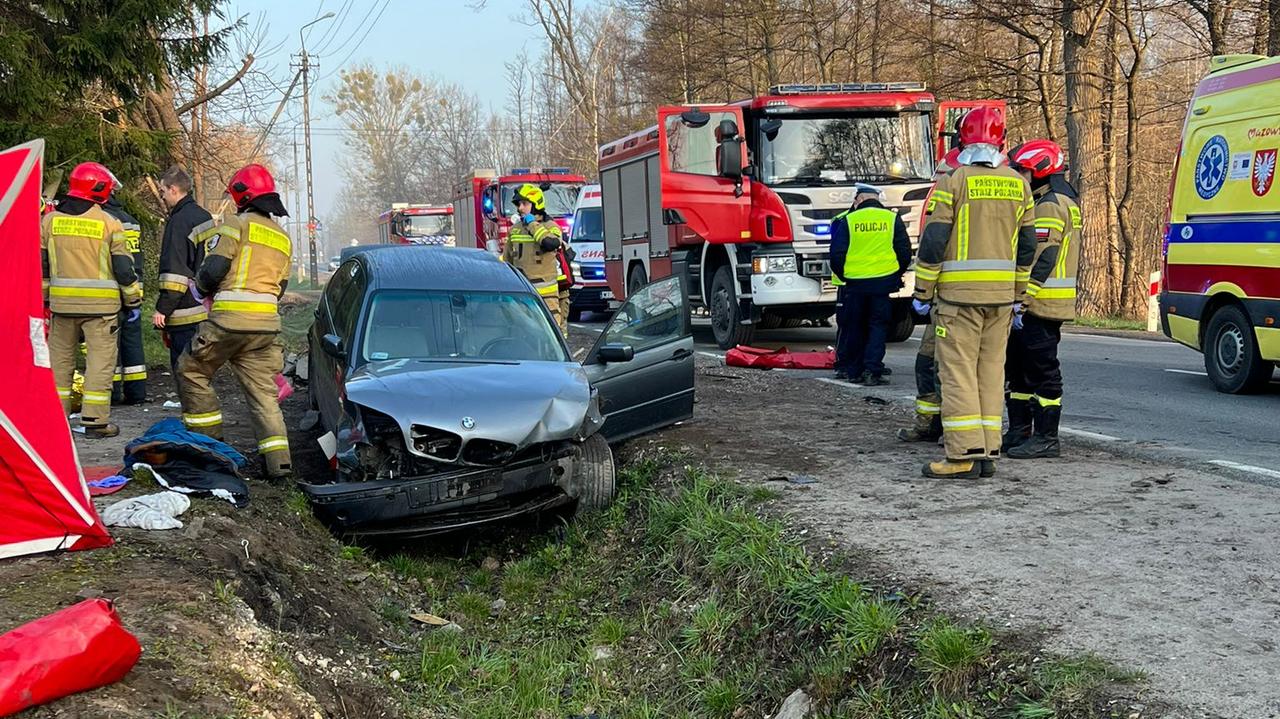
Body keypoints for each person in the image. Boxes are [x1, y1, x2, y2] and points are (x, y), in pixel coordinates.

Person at [912, 107, 1038, 479]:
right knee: (990, 372)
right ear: (1001, 140)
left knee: (957, 373)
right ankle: (987, 451)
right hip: (1001, 299)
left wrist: (923, 289)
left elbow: (934, 241)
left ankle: (962, 456)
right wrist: (1019, 294)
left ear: (963, 139)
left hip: (959, 298)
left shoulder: (955, 180)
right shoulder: (1019, 184)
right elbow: (1028, 245)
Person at [177, 164, 293, 480]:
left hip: (228, 322)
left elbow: (214, 269)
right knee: (263, 394)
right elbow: (280, 288)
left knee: (192, 370)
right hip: (265, 327)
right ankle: (279, 463)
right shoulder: (283, 237)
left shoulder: (235, 224)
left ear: (242, 195)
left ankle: (209, 449)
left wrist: (200, 289)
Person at [42, 162, 143, 438]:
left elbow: (42, 266)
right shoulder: (110, 223)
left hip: (62, 307)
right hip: (101, 310)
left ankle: (55, 420)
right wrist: (133, 300)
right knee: (100, 363)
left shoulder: (49, 221)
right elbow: (124, 269)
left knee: (60, 363)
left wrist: (45, 300)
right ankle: (95, 421)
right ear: (100, 189)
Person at [1003, 139, 1082, 459]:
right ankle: (1020, 431)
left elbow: (1044, 255)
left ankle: (1047, 437)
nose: (1019, 177)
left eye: (1022, 170)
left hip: (1042, 303)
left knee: (1041, 371)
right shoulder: (1055, 199)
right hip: (1038, 302)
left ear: (1039, 171)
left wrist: (1024, 297)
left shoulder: (1049, 205)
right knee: (1019, 369)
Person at [829, 183, 911, 385]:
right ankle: (872, 370)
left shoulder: (849, 219)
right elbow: (904, 251)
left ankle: (854, 369)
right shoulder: (892, 218)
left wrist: (846, 277)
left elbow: (836, 254)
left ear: (860, 199)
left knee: (855, 326)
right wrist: (894, 274)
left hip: (855, 285)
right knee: (878, 327)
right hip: (883, 285)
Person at [154, 166, 212, 387]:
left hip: (184, 309)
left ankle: (192, 414)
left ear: (174, 189)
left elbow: (175, 271)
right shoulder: (203, 216)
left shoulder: (179, 221)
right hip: (204, 307)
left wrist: (163, 308)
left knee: (184, 369)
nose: (162, 196)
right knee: (202, 368)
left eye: (163, 191)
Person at [103, 181, 147, 405]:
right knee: (132, 340)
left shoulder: (103, 220)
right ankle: (137, 392)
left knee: (109, 344)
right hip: (133, 289)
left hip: (110, 291)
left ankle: (112, 392)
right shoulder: (131, 221)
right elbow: (137, 260)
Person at [503, 183, 567, 333]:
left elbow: (550, 243)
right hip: (523, 292)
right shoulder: (515, 229)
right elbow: (507, 260)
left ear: (536, 204)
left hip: (547, 294)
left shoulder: (551, 226)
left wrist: (532, 223)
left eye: (524, 204)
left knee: (552, 333)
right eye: (519, 204)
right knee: (524, 332)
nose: (520, 208)